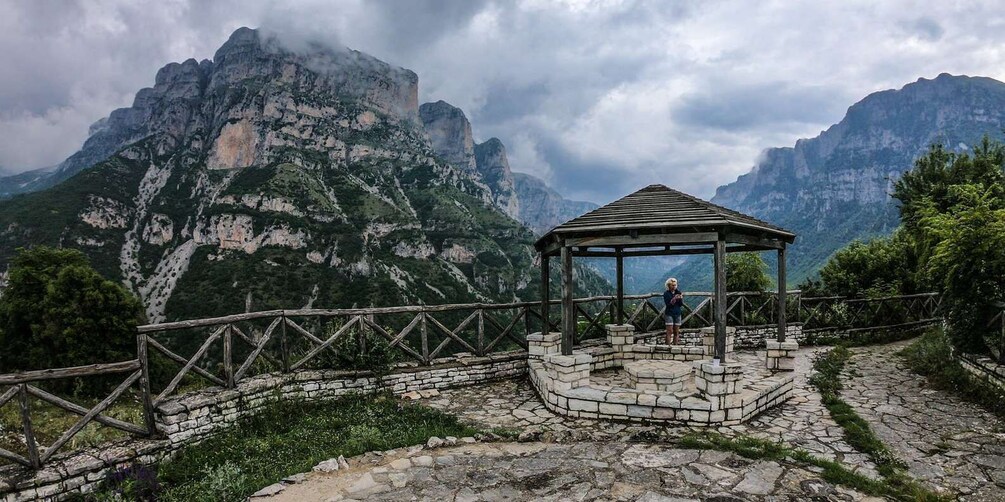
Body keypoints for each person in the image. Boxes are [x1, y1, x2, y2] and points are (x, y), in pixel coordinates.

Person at [663, 278, 684, 345]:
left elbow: (680, 304)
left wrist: (680, 299)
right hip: (669, 313)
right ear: (668, 285)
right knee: (669, 331)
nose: (674, 286)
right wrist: (674, 298)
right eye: (672, 285)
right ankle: (667, 347)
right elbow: (668, 305)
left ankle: (675, 347)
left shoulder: (678, 292)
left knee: (676, 332)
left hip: (678, 313)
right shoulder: (666, 293)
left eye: (675, 285)